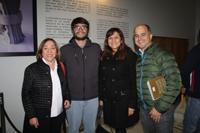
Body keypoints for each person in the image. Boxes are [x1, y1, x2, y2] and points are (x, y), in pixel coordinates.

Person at [133, 24, 181, 133]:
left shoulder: (163, 55)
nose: (139, 38)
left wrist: (159, 108)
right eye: (136, 36)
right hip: (144, 110)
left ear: (150, 36)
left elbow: (175, 83)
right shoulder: (137, 58)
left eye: (143, 34)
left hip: (161, 111)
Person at [60, 17, 101, 133]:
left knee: (91, 128)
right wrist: (65, 96)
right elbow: (60, 75)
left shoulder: (96, 48)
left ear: (88, 30)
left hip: (93, 97)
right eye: (77, 26)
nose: (80, 29)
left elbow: (103, 71)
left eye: (84, 27)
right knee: (73, 129)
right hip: (73, 99)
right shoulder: (64, 50)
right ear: (73, 30)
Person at [21, 38, 71, 133]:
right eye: (45, 48)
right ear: (41, 52)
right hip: (40, 116)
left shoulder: (61, 67)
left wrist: (67, 98)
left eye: (53, 48)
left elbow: (65, 86)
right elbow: (25, 94)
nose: (49, 51)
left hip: (58, 114)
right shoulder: (32, 69)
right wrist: (31, 116)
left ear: (56, 51)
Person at [99, 28, 139, 133]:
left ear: (121, 39)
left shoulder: (130, 56)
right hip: (109, 98)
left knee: (120, 127)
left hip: (123, 100)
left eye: (116, 37)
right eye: (110, 38)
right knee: (115, 126)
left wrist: (132, 104)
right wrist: (102, 97)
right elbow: (101, 79)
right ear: (107, 41)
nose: (113, 40)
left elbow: (133, 82)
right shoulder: (104, 56)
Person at [181, 29, 200, 133]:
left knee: (190, 126)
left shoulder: (196, 50)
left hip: (196, 97)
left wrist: (186, 86)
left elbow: (185, 70)